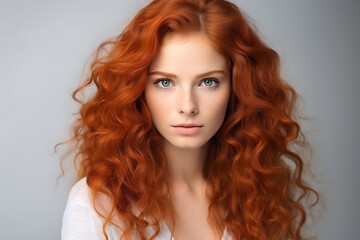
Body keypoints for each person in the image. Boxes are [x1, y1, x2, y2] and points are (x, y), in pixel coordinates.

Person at [61, 0, 318, 239]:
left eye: (209, 82)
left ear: (237, 88)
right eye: (165, 82)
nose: (188, 106)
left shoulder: (256, 190)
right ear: (138, 90)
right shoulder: (97, 206)